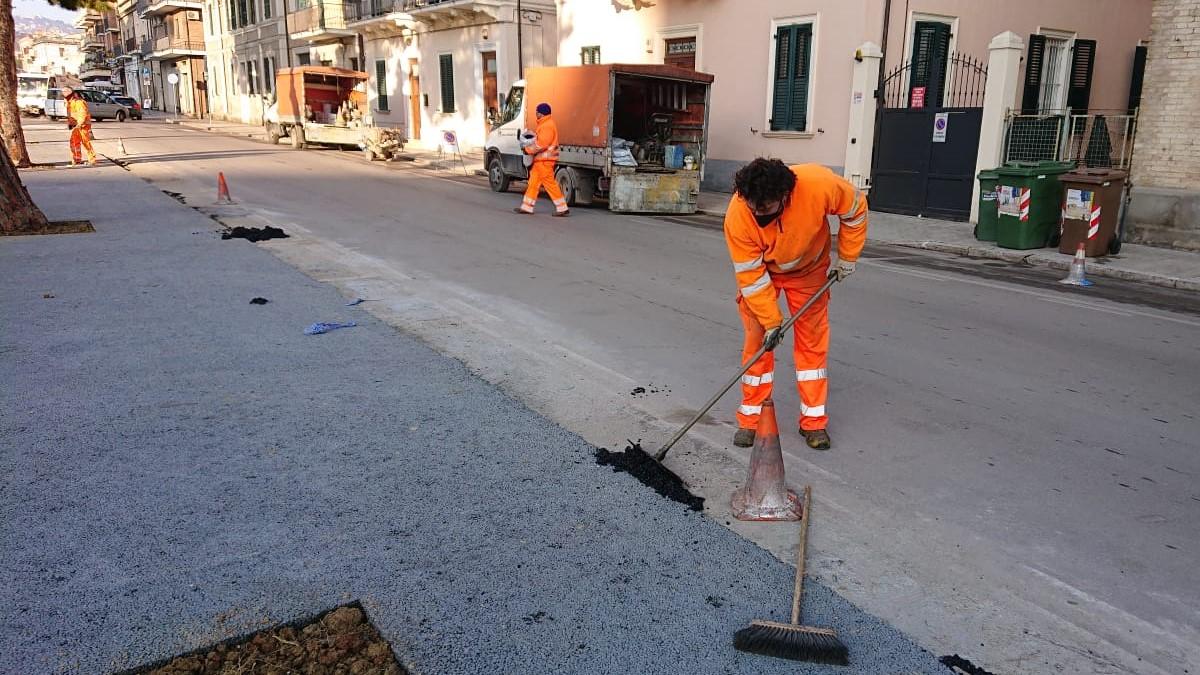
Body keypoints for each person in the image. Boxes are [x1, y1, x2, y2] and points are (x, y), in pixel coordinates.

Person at [723, 158, 868, 450]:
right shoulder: (738, 215)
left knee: (812, 345)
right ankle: (751, 419)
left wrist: (848, 257)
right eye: (753, 206)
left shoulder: (818, 185)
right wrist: (772, 322)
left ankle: (813, 423)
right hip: (764, 274)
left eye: (764, 209)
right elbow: (751, 276)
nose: (757, 214)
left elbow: (856, 209)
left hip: (809, 271)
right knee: (758, 342)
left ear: (785, 197)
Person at [513, 102, 569, 217]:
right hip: (541, 161)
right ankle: (527, 207)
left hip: (545, 161)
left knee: (550, 184)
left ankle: (562, 208)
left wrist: (527, 150)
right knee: (533, 183)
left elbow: (541, 144)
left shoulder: (547, 125)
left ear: (542, 113)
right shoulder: (545, 124)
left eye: (537, 112)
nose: (536, 114)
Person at [63, 87, 97, 167]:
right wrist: (70, 124)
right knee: (74, 142)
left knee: (85, 142)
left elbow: (82, 114)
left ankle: (92, 159)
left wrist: (79, 124)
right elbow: (71, 115)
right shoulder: (70, 103)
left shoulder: (79, 102)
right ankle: (77, 159)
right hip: (77, 125)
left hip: (83, 125)